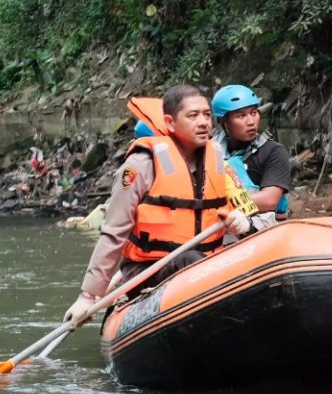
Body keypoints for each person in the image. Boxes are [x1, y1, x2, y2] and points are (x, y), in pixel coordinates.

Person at [63, 85, 254, 326]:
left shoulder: (218, 162)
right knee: (191, 260)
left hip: (209, 263)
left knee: (202, 260)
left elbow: (247, 216)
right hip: (149, 270)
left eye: (207, 115)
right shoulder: (140, 165)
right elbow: (114, 233)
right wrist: (87, 296)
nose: (204, 122)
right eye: (193, 116)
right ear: (170, 122)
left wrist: (242, 223)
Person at [211, 84, 292, 221]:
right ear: (223, 121)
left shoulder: (273, 151)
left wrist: (219, 207)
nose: (251, 122)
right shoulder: (211, 148)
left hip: (264, 230)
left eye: (254, 113)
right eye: (241, 116)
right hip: (221, 229)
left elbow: (269, 200)